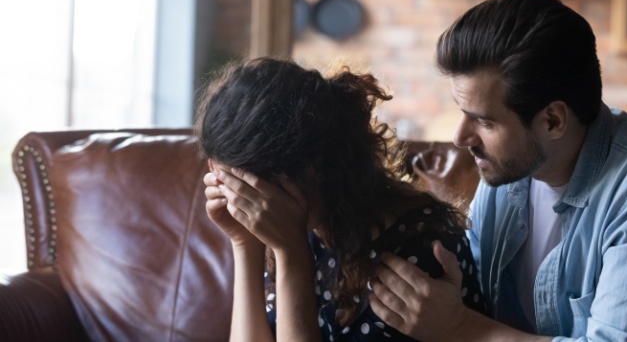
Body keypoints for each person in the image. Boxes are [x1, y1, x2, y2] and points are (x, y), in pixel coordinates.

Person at [368, 0, 627, 341]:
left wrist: (457, 328)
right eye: (463, 113)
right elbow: (469, 290)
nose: (460, 136)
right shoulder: (506, 173)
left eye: (485, 122)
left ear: (553, 120)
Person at [195, 57, 487, 341]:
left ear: (316, 165)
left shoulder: (418, 249)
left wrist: (292, 255)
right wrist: (245, 243)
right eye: (226, 183)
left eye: (247, 188)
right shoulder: (304, 230)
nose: (240, 202)